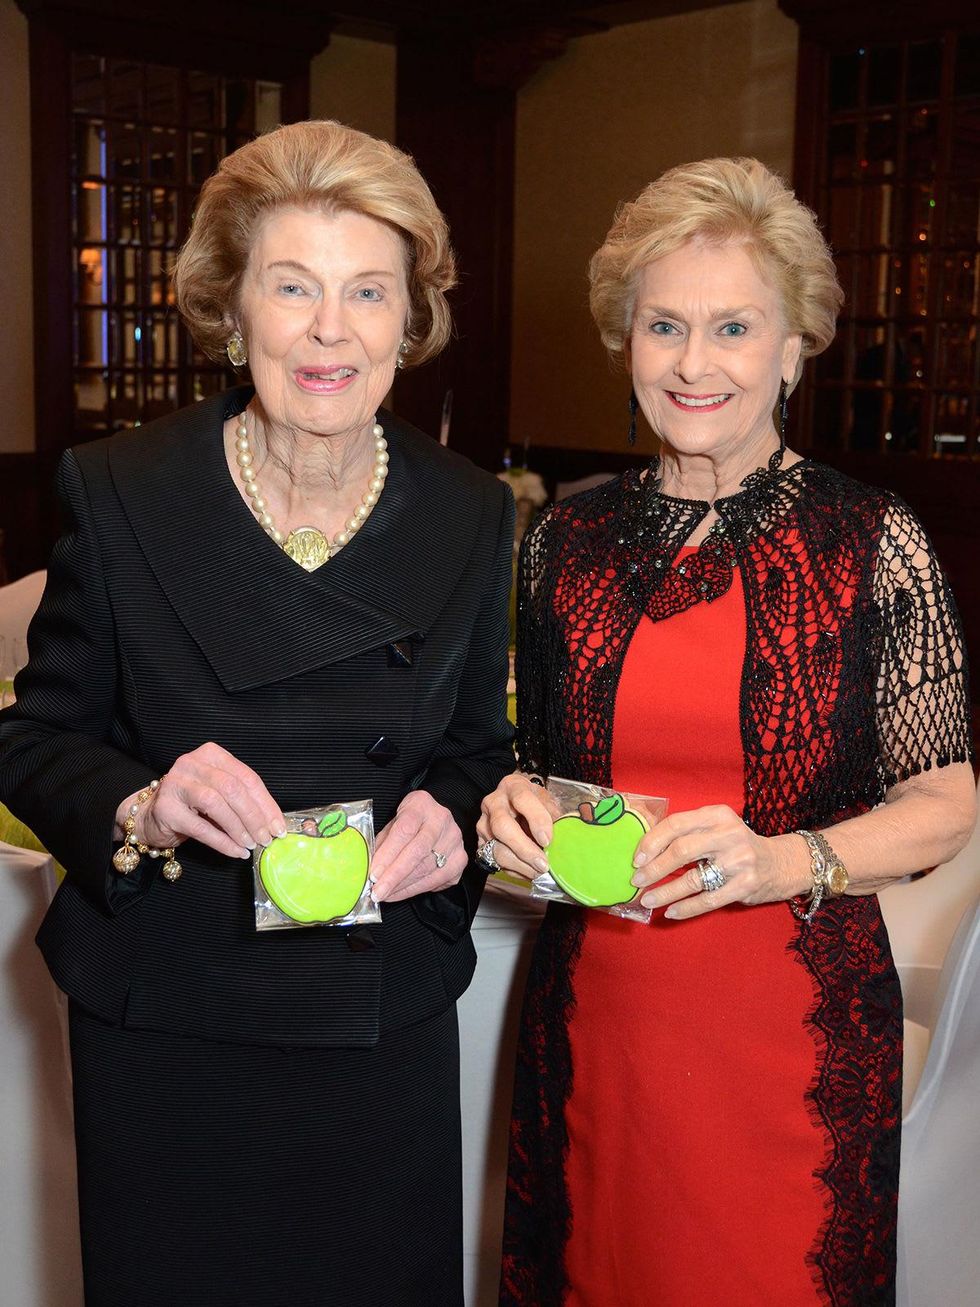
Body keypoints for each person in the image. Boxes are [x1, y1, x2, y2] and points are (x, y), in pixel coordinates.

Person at [0, 120, 515, 1307]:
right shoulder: (122, 487)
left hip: (376, 1017)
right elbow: (31, 736)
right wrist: (141, 799)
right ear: (233, 311)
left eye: (367, 292)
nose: (330, 328)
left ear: (409, 321)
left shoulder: (471, 514)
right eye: (293, 287)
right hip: (172, 1022)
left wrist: (450, 813)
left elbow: (477, 757)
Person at [477, 157, 975, 1306]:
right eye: (663, 325)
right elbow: (546, 770)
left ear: (794, 343)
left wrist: (779, 856)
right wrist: (511, 806)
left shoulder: (871, 539)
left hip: (782, 1036)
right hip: (596, 1024)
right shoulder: (566, 538)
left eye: (733, 326)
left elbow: (946, 801)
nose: (693, 363)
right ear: (625, 341)